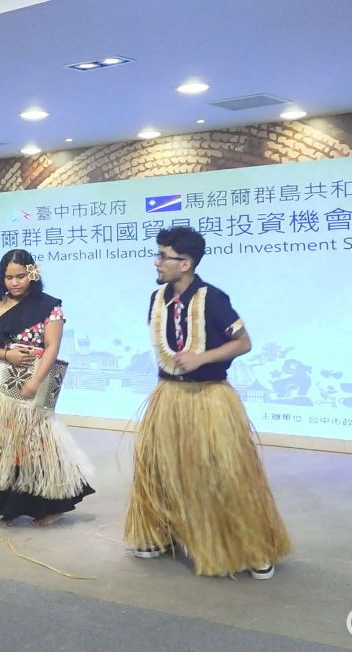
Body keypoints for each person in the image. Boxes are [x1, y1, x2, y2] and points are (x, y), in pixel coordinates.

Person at [124, 226, 291, 579]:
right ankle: (161, 534)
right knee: (159, 469)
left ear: (185, 263)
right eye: (158, 254)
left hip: (210, 398)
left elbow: (243, 342)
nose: (157, 262)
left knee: (224, 474)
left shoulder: (213, 298)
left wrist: (202, 358)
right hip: (168, 396)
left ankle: (252, 547)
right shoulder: (156, 298)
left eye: (163, 257)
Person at [0, 249, 94, 526]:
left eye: (20, 276)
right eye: (9, 277)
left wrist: (35, 381)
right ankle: (11, 505)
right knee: (8, 444)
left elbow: (52, 347)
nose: (14, 282)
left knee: (38, 443)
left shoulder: (50, 307)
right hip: (4, 383)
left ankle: (51, 505)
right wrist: (8, 354)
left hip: (36, 381)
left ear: (32, 274)